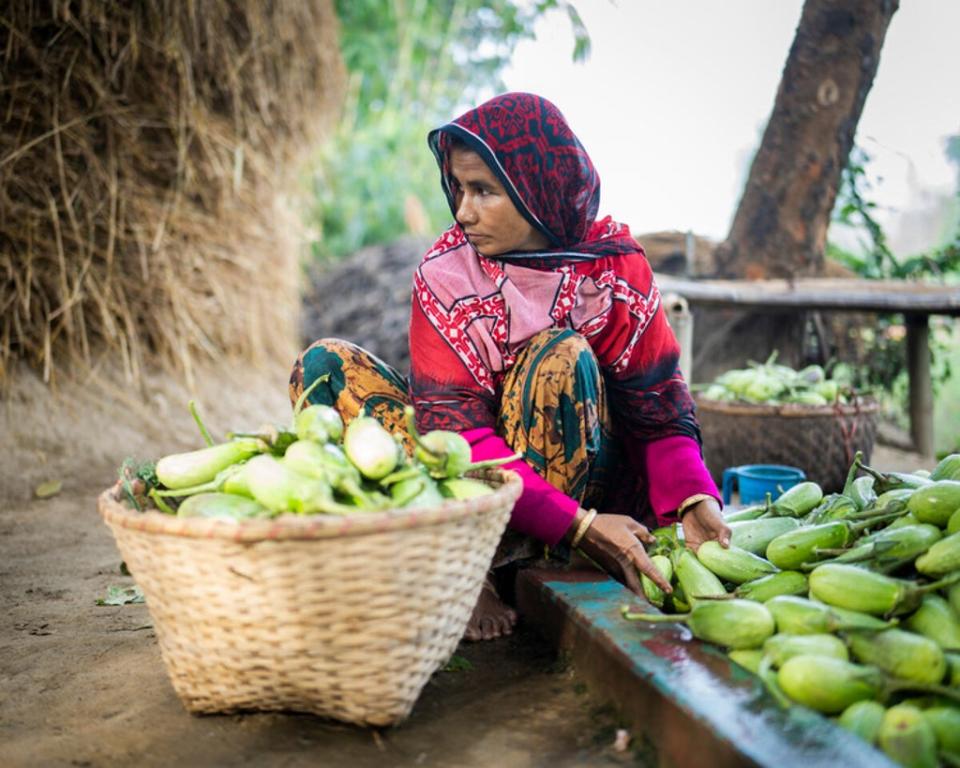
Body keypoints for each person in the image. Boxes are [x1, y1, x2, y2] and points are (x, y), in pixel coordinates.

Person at [289, 92, 729, 641]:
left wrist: (694, 498)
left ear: (535, 191)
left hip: (590, 479)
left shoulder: (614, 267)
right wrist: (580, 529)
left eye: (483, 191)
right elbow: (456, 432)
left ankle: (551, 553)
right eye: (458, 188)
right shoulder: (447, 275)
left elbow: (659, 402)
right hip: (483, 484)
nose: (463, 211)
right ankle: (472, 569)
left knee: (558, 357)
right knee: (325, 367)